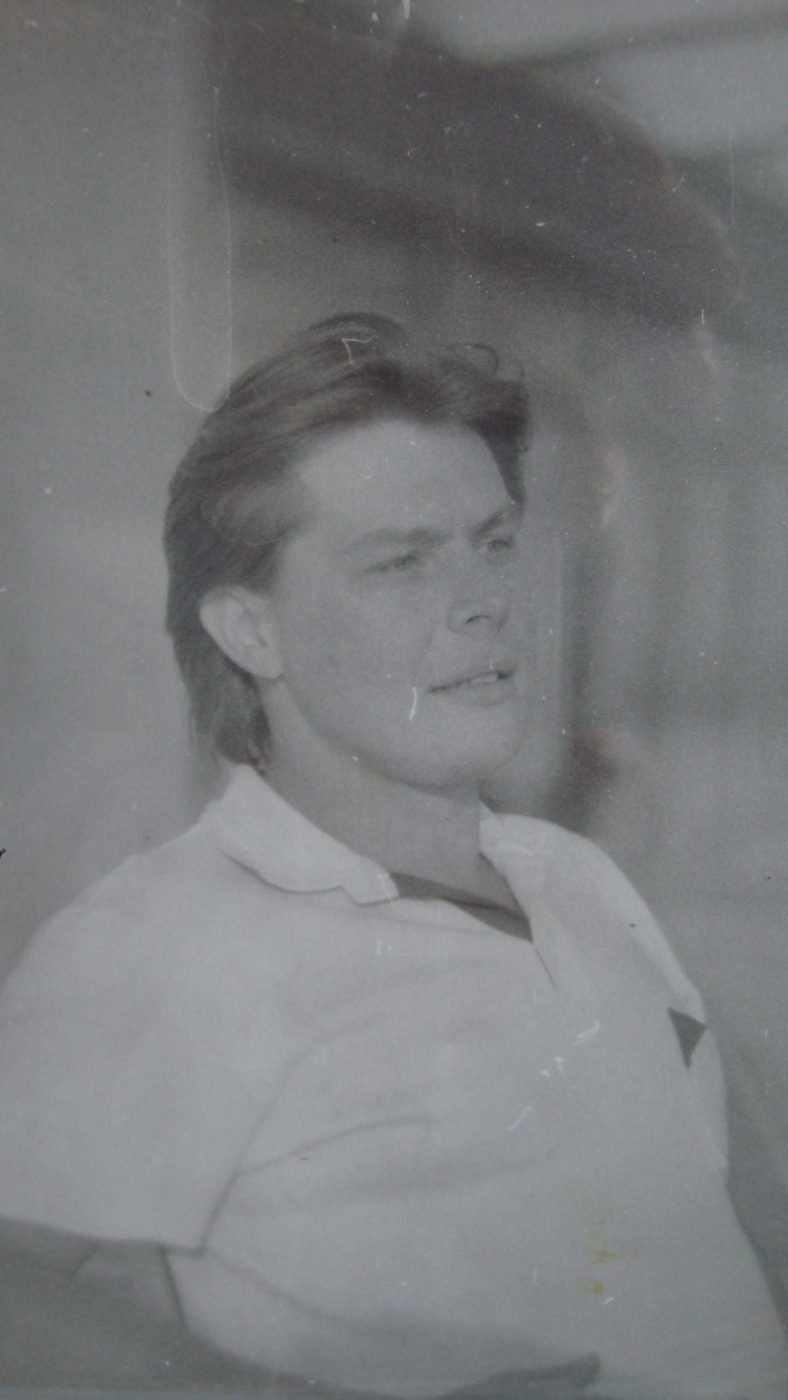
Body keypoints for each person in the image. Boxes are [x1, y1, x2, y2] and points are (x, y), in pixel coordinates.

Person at [0, 314, 784, 1399]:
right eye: (403, 562)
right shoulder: (157, 938)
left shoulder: (576, 876)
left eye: (494, 543)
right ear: (251, 631)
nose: (487, 601)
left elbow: (727, 1217)